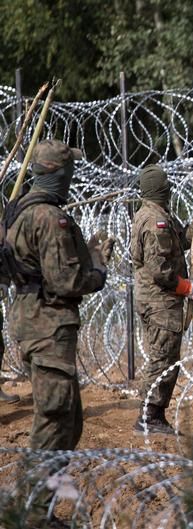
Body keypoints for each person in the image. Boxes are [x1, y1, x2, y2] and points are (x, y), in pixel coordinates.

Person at [4, 139, 112, 450]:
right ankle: (32, 498)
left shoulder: (18, 211)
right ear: (60, 175)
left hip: (31, 318)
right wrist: (98, 269)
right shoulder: (50, 218)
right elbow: (65, 281)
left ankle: (47, 492)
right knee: (54, 424)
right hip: (48, 323)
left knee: (69, 420)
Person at [130, 164, 193, 434]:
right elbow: (159, 269)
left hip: (155, 300)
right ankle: (149, 416)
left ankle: (152, 414)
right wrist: (186, 287)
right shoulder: (155, 221)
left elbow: (178, 242)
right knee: (163, 359)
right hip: (160, 301)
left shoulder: (152, 214)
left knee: (164, 356)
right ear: (163, 189)